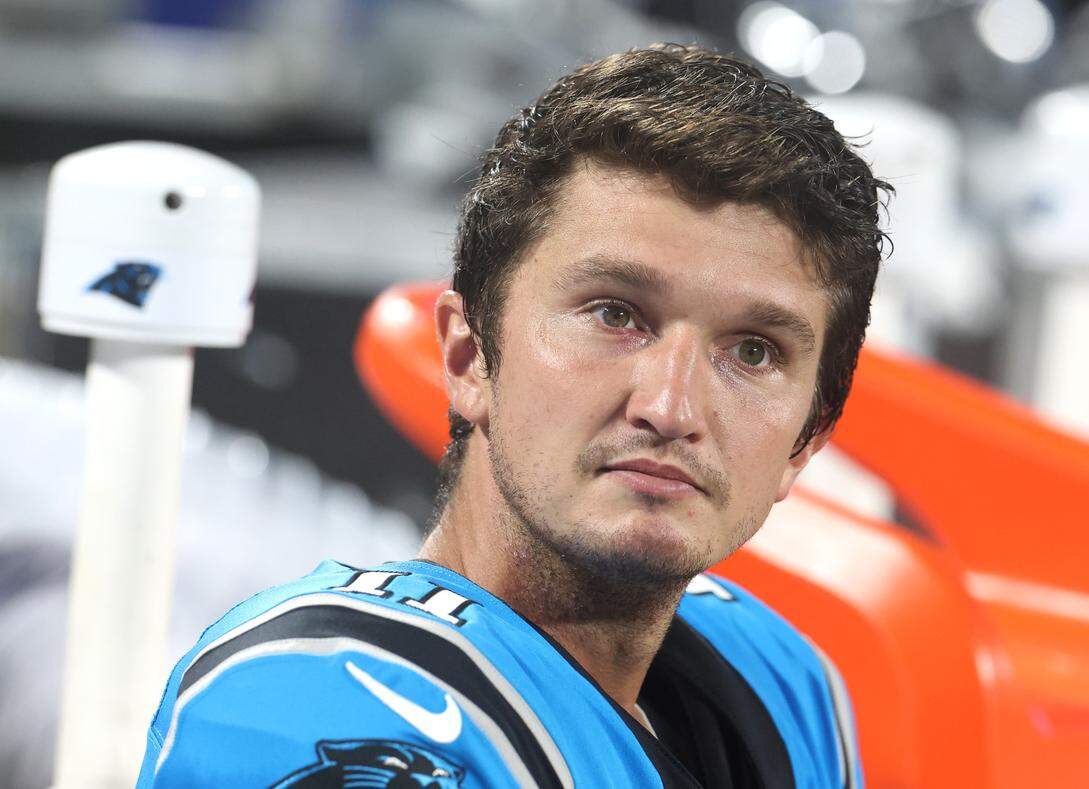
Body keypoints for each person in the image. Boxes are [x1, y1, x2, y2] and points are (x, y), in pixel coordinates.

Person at [137, 44, 890, 788]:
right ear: (468, 358)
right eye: (615, 314)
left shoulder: (786, 677)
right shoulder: (311, 705)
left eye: (753, 352)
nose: (671, 406)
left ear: (806, 441)